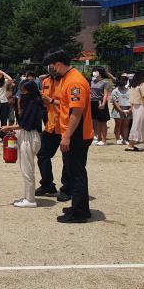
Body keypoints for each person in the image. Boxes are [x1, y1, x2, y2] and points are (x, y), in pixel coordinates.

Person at [46, 49, 94, 223]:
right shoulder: (68, 78)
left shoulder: (75, 81)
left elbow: (77, 111)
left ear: (58, 64)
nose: (51, 69)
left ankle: (79, 213)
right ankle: (80, 207)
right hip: (72, 133)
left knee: (76, 173)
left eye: (51, 65)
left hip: (77, 135)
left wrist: (66, 136)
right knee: (74, 172)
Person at [0, 80, 44, 208]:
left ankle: (30, 200)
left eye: (23, 91)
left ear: (30, 91)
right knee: (26, 167)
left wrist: (9, 127)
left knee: (27, 169)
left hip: (29, 137)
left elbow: (26, 125)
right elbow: (21, 121)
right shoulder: (28, 102)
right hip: (25, 135)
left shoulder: (34, 104)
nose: (21, 93)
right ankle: (28, 196)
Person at [36, 71, 72, 202]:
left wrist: (51, 101)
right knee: (42, 155)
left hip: (66, 126)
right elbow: (46, 104)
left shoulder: (69, 81)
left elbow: (71, 105)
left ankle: (67, 189)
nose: (52, 68)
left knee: (67, 159)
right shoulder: (46, 81)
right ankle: (47, 185)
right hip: (51, 125)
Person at [90, 67, 112, 146]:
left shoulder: (105, 82)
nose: (94, 72)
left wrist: (103, 103)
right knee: (94, 121)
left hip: (100, 101)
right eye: (94, 71)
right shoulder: (92, 81)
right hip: (92, 102)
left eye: (96, 71)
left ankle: (103, 139)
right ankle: (97, 138)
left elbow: (106, 94)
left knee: (102, 122)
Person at [110, 74, 131, 145]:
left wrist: (129, 110)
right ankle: (118, 138)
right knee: (118, 124)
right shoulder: (115, 91)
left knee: (126, 125)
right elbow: (115, 102)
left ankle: (125, 139)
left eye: (124, 80)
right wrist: (120, 110)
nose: (122, 81)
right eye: (121, 80)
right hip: (118, 110)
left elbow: (132, 101)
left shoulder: (129, 91)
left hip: (128, 109)